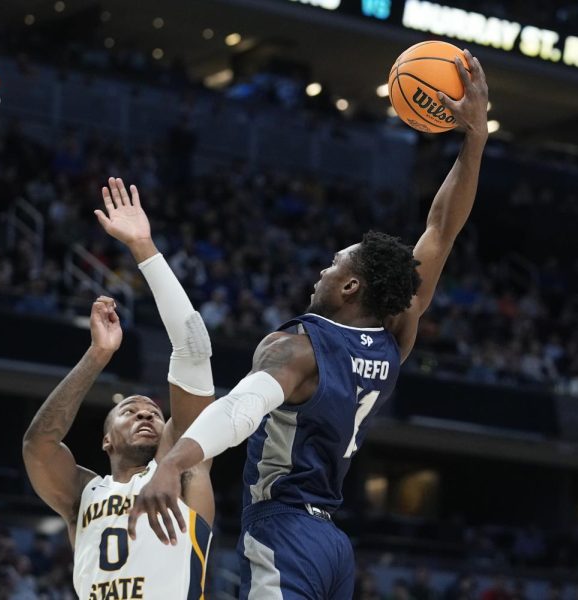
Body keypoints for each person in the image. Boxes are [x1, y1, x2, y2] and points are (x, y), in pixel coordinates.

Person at [128, 49, 489, 599]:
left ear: (349, 287)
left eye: (333, 264)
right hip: (333, 545)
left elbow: (238, 410)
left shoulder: (298, 348)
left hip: (283, 528)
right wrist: (475, 138)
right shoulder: (395, 334)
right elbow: (441, 230)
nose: (321, 270)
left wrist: (169, 464)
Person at [23, 177, 215, 599]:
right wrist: (96, 356)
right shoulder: (82, 494)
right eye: (130, 410)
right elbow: (39, 443)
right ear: (106, 440)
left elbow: (195, 350)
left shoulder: (182, 469)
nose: (147, 412)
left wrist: (144, 249)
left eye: (153, 411)